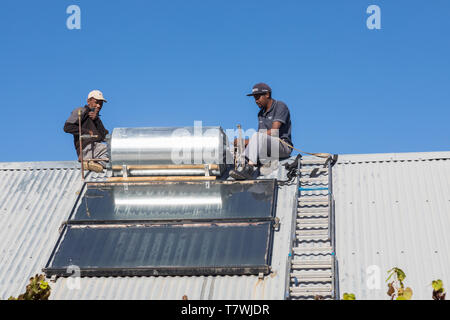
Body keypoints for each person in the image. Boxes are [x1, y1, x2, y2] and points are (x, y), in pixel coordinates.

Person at [230, 83, 293, 180]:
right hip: (268, 148)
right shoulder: (261, 114)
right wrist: (241, 145)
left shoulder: (280, 106)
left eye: (258, 97)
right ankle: (242, 167)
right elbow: (260, 139)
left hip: (283, 146)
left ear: (267, 94)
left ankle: (249, 169)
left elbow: (274, 132)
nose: (256, 101)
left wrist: (246, 141)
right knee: (241, 145)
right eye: (254, 98)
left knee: (256, 136)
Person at [63, 90, 109, 173]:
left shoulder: (95, 118)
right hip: (87, 149)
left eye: (101, 103)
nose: (98, 105)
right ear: (88, 101)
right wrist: (87, 132)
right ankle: (91, 162)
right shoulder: (81, 111)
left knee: (114, 157)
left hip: (96, 150)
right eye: (96, 102)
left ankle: (95, 164)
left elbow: (105, 137)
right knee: (110, 150)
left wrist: (97, 120)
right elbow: (67, 127)